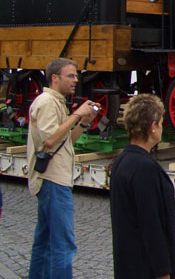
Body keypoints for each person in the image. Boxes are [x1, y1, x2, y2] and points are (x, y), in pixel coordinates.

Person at [27, 58, 100, 279]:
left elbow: (65, 140)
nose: (75, 80)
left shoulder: (55, 102)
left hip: (52, 179)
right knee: (63, 244)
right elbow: (50, 139)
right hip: (53, 180)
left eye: (76, 76)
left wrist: (85, 122)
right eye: (71, 76)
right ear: (55, 78)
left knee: (44, 240)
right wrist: (77, 114)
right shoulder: (47, 102)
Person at [110, 94, 175, 279]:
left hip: (128, 263)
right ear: (153, 126)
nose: (162, 128)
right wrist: (163, 273)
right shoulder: (144, 168)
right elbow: (151, 226)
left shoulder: (122, 161)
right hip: (144, 267)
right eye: (161, 123)